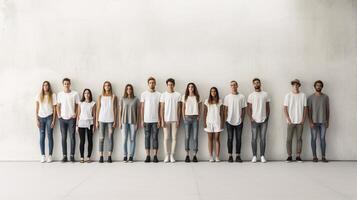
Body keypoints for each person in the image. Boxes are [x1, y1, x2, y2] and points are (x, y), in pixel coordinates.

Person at [284, 79, 307, 163]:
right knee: (289, 139)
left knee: (299, 139)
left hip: (300, 121)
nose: (295, 86)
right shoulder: (288, 95)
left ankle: (298, 156)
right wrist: (288, 119)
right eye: (294, 84)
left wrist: (303, 119)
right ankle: (289, 156)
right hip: (290, 121)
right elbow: (285, 108)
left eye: (297, 84)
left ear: (299, 85)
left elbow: (305, 108)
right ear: (292, 85)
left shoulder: (303, 95)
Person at [247, 78, 270, 163]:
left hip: (264, 119)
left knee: (263, 138)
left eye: (258, 82)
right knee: (254, 138)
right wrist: (251, 118)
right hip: (254, 120)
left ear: (260, 83)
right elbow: (249, 108)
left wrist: (267, 117)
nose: (257, 84)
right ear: (253, 85)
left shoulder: (265, 94)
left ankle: (262, 156)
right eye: (255, 83)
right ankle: (254, 156)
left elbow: (268, 107)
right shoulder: (251, 95)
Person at [57, 78, 80, 162]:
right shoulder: (60, 94)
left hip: (71, 118)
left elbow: (78, 105)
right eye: (65, 83)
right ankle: (64, 156)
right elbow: (58, 106)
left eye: (68, 83)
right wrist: (59, 115)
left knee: (72, 137)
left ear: (70, 84)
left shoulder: (75, 94)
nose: (66, 85)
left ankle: (72, 155)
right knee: (63, 137)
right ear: (63, 84)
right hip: (62, 119)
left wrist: (75, 113)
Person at [224, 80, 246, 163]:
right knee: (230, 138)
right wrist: (226, 118)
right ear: (230, 87)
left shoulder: (242, 97)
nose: (233, 86)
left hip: (239, 121)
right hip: (229, 121)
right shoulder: (227, 97)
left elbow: (244, 109)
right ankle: (230, 156)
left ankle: (238, 156)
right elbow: (225, 109)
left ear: (237, 86)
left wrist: (242, 118)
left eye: (234, 85)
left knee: (238, 139)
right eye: (231, 85)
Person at [160, 78, 182, 163]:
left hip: (175, 119)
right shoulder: (163, 95)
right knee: (166, 138)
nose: (170, 86)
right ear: (167, 85)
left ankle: (172, 155)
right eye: (169, 84)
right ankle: (167, 155)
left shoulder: (178, 95)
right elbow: (161, 108)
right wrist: (162, 120)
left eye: (172, 84)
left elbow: (179, 109)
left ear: (174, 85)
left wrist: (178, 120)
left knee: (174, 138)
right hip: (166, 119)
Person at [308, 80, 330, 162]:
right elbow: (308, 111)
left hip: (323, 122)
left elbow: (328, 110)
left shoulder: (326, 97)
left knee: (323, 138)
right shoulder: (310, 98)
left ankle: (323, 157)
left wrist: (328, 121)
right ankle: (314, 156)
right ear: (315, 86)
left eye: (320, 85)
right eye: (317, 85)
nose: (318, 87)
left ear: (322, 87)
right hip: (313, 122)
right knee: (313, 138)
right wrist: (310, 121)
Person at [140, 77, 161, 163]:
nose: (152, 84)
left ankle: (155, 156)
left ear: (155, 84)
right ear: (148, 84)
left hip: (156, 120)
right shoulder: (144, 94)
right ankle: (148, 156)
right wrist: (142, 120)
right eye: (150, 83)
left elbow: (160, 108)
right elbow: (142, 108)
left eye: (153, 82)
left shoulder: (159, 94)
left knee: (155, 137)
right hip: (146, 120)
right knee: (147, 137)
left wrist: (160, 120)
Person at [96, 81, 118, 163]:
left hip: (111, 120)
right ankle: (101, 156)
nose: (107, 86)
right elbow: (98, 108)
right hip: (101, 119)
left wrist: (115, 120)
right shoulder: (100, 96)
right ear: (103, 87)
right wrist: (96, 121)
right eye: (105, 85)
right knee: (101, 138)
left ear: (110, 87)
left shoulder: (113, 96)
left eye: (108, 85)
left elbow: (115, 109)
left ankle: (109, 156)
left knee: (110, 138)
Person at [35, 81, 57, 163]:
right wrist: (36, 119)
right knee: (42, 136)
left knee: (50, 135)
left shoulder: (53, 95)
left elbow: (55, 109)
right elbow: (36, 108)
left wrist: (54, 120)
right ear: (42, 86)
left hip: (49, 117)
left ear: (49, 86)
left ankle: (50, 155)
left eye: (47, 85)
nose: (45, 86)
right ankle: (43, 155)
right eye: (44, 85)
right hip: (41, 117)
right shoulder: (39, 95)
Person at [119, 84, 140, 163]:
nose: (129, 90)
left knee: (132, 139)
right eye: (127, 89)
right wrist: (119, 122)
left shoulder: (136, 99)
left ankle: (131, 156)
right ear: (125, 90)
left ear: (132, 90)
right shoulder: (122, 99)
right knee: (124, 139)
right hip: (124, 122)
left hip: (133, 122)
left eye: (130, 89)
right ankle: (125, 155)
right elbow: (120, 111)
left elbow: (138, 112)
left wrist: (137, 122)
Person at [203, 87, 224, 162]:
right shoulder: (206, 101)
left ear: (216, 92)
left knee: (217, 139)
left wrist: (222, 123)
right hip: (209, 122)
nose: (213, 92)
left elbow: (222, 113)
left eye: (214, 91)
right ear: (210, 92)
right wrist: (204, 122)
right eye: (212, 91)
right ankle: (211, 156)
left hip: (217, 122)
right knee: (210, 139)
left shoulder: (220, 101)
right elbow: (205, 112)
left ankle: (217, 157)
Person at [182, 82, 201, 163]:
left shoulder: (197, 97)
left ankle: (195, 155)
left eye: (192, 87)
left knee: (195, 137)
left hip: (195, 118)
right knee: (187, 137)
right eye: (189, 87)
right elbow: (183, 107)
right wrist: (183, 117)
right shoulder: (184, 97)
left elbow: (200, 107)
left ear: (194, 88)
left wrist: (199, 116)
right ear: (188, 88)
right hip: (187, 117)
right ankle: (187, 155)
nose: (191, 88)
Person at [76, 89, 96, 163]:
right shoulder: (80, 103)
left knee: (90, 141)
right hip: (81, 123)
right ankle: (81, 157)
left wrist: (94, 125)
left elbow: (94, 115)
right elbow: (78, 115)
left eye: (88, 93)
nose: (86, 94)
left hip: (90, 123)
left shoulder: (93, 103)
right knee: (82, 141)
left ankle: (88, 157)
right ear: (83, 94)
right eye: (85, 93)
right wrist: (77, 125)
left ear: (90, 94)